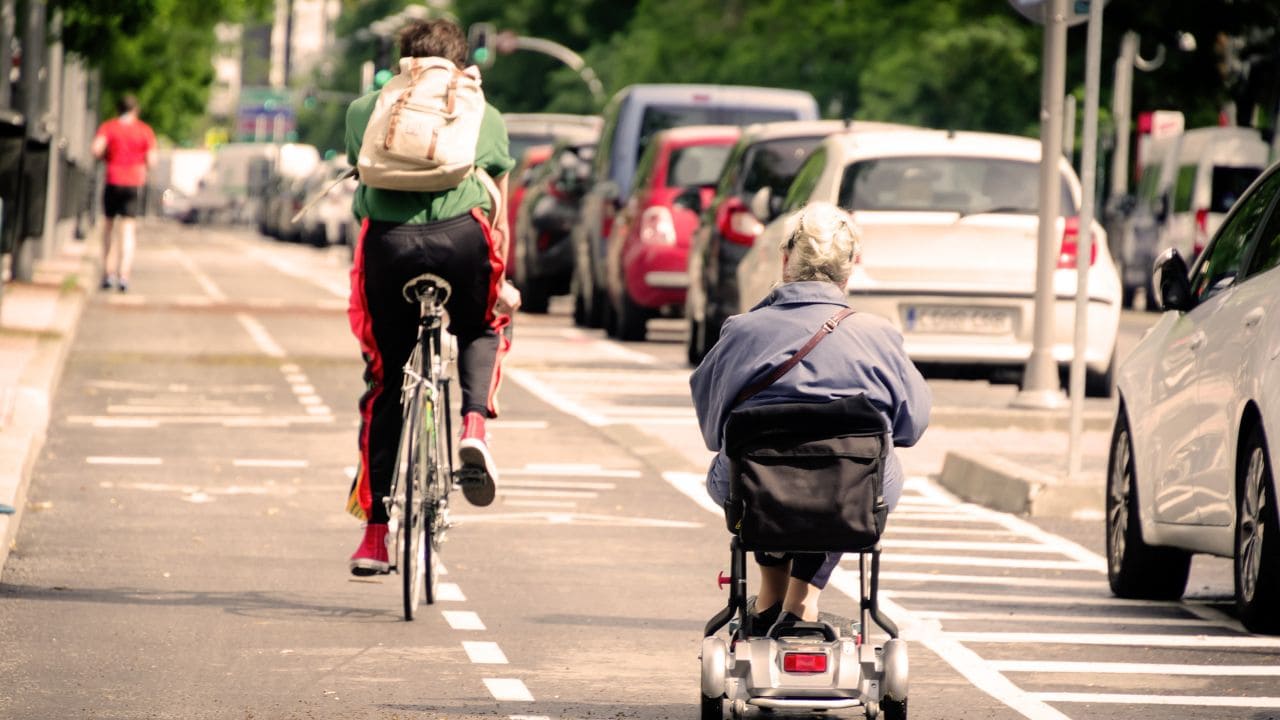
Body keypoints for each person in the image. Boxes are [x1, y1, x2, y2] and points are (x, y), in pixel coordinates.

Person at [690, 202, 931, 629]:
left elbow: (713, 431)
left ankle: (770, 594)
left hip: (755, 492)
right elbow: (912, 426)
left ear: (785, 259)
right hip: (850, 494)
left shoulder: (741, 332)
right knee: (863, 475)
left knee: (748, 464)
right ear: (849, 269)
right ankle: (804, 597)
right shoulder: (879, 335)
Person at [344, 18, 519, 575]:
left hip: (388, 249)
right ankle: (472, 425)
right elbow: (500, 212)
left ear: (403, 64)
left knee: (384, 383)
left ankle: (374, 536)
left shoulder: (364, 109)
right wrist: (503, 283)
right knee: (483, 325)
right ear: (460, 63)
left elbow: (362, 183)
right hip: (462, 243)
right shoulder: (483, 114)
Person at [91, 94, 157, 292]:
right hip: (134, 182)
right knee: (128, 230)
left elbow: (96, 149)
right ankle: (124, 275)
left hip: (113, 179)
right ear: (135, 110)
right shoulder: (144, 130)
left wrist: (108, 157)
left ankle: (108, 272)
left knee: (108, 226)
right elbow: (153, 161)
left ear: (118, 110)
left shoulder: (109, 127)